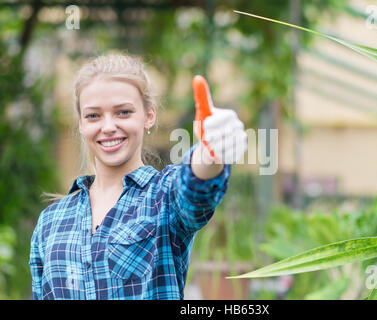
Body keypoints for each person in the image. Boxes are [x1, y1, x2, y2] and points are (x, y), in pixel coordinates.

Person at [29, 52, 248, 300]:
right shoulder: (50, 222)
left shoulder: (164, 197)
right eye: (93, 115)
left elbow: (195, 189)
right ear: (80, 123)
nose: (108, 126)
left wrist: (210, 154)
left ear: (149, 116)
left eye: (123, 112)